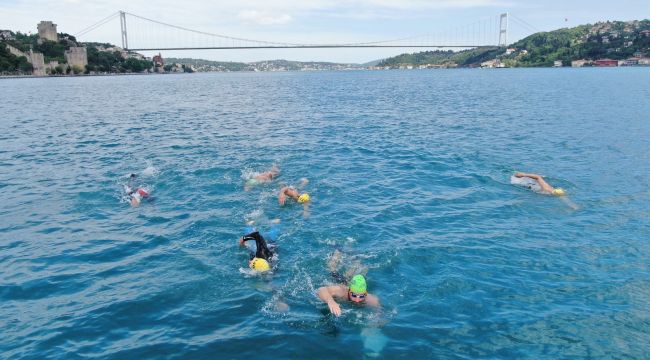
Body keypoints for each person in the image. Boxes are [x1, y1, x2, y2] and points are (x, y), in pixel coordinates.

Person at [317, 250, 380, 316]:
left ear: (365, 293)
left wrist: (376, 319)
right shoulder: (341, 291)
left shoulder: (371, 299)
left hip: (348, 283)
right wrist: (331, 301)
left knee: (349, 275)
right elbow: (321, 289)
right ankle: (338, 250)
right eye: (354, 295)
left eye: (361, 296)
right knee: (332, 269)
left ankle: (356, 259)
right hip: (338, 282)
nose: (357, 300)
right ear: (349, 292)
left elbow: (378, 311)